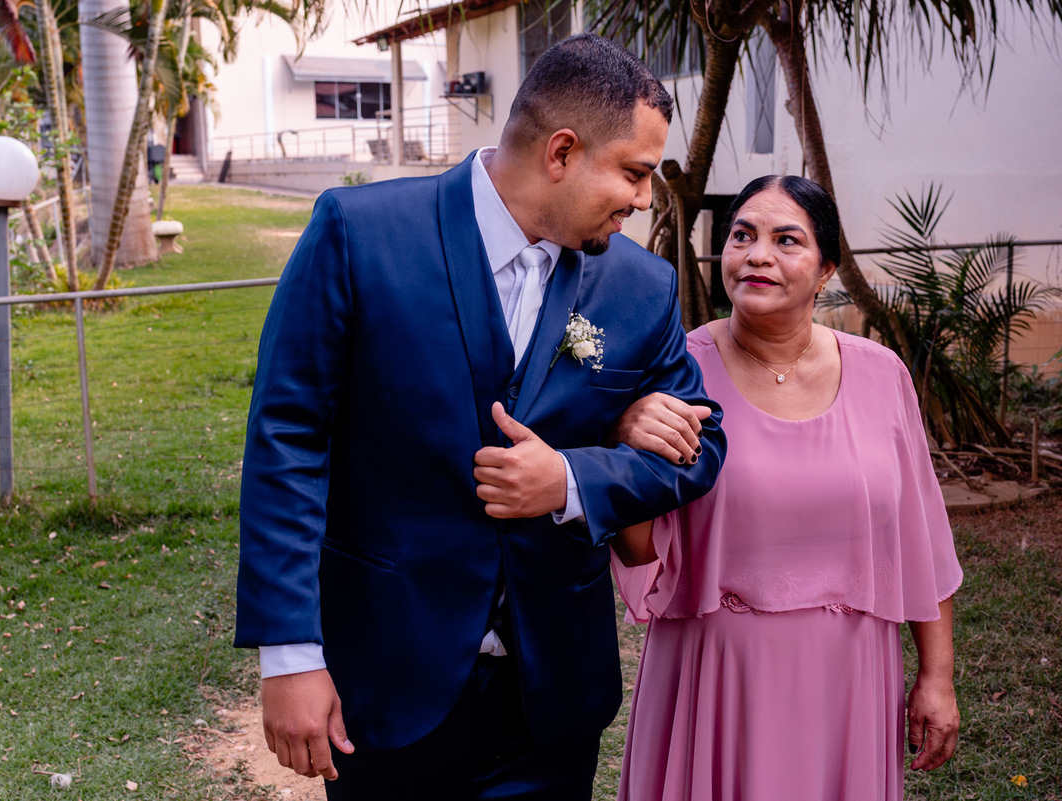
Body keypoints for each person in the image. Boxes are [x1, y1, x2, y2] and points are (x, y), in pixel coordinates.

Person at [234, 34, 728, 801]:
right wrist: (290, 652)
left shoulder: (642, 285)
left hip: (552, 698)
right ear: (561, 152)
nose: (642, 199)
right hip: (388, 680)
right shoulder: (360, 234)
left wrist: (572, 477)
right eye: (634, 172)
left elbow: (701, 444)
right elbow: (287, 440)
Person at [609, 175, 963, 801]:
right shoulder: (677, 371)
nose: (758, 255)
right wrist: (623, 447)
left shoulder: (882, 375)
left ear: (826, 269)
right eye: (742, 236)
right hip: (716, 676)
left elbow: (922, 538)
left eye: (786, 240)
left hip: (851, 676)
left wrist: (937, 677)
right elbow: (640, 550)